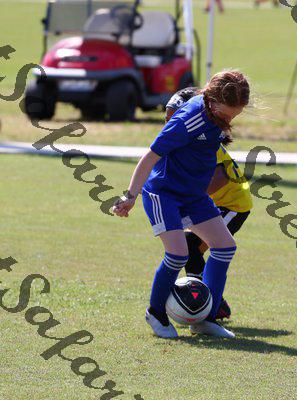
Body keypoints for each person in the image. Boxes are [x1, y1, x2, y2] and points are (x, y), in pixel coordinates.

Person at [112, 70, 250, 339]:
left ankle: (206, 319)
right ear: (212, 100)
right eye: (226, 114)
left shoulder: (215, 114)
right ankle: (156, 313)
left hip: (194, 195)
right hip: (164, 193)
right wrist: (130, 196)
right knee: (177, 254)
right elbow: (150, 156)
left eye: (234, 115)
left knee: (224, 247)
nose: (229, 120)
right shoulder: (189, 119)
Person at [165, 87, 254, 321]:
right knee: (189, 248)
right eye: (167, 117)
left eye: (175, 117)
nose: (169, 123)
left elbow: (219, 177)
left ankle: (210, 302)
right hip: (211, 204)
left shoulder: (205, 141)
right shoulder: (183, 139)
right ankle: (205, 300)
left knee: (193, 246)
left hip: (233, 205)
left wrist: (188, 199)